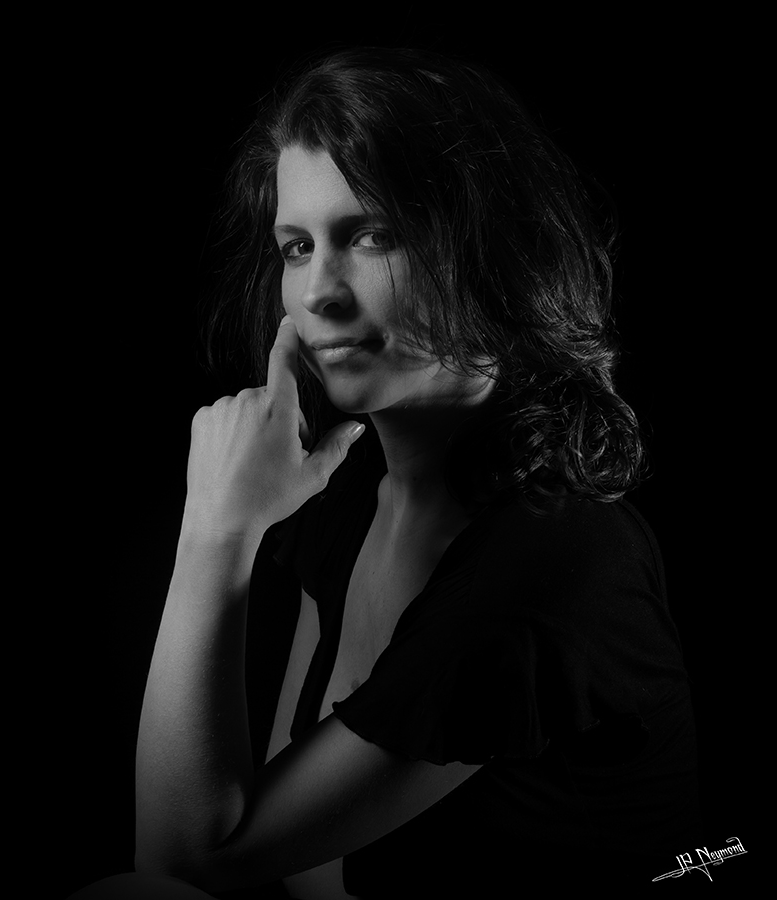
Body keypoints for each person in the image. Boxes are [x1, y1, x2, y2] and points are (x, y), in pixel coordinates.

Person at [71, 47, 701, 898]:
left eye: (373, 235)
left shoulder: (550, 567)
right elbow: (280, 864)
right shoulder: (355, 488)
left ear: (488, 247)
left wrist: (214, 530)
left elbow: (186, 859)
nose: (319, 294)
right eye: (297, 247)